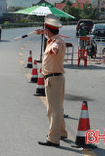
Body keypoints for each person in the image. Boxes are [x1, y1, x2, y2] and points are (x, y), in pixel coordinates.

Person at [35, 14, 68, 147]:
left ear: (49, 30)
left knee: (52, 110)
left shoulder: (56, 42)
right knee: (58, 108)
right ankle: (61, 132)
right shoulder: (55, 38)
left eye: (45, 30)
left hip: (53, 79)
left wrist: (55, 49)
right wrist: (42, 32)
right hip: (56, 77)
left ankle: (53, 138)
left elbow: (56, 46)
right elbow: (52, 38)